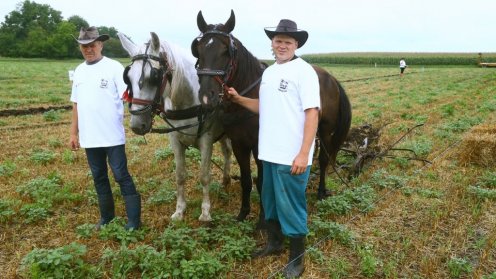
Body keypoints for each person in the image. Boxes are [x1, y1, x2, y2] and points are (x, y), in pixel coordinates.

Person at [226, 19, 319, 278]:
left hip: (292, 156)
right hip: (268, 154)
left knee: (292, 206)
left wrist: (303, 153)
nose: (282, 45)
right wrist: (238, 99)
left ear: (296, 44)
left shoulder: (304, 71)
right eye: (278, 41)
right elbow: (263, 107)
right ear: (272, 43)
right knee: (270, 203)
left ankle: (297, 258)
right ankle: (275, 244)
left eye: (287, 42)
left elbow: (312, 113)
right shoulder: (268, 73)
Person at [69, 26, 141, 230]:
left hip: (112, 137)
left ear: (100, 44)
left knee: (121, 175)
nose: (88, 49)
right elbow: (76, 104)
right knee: (99, 177)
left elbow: (128, 95)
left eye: (92, 45)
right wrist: (73, 133)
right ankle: (106, 218)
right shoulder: (80, 71)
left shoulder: (114, 68)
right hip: (90, 138)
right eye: (84, 46)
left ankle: (134, 222)